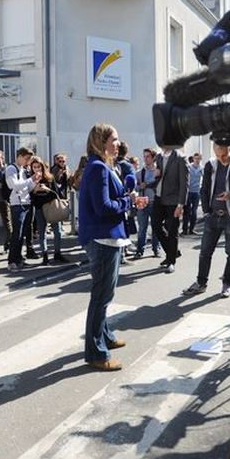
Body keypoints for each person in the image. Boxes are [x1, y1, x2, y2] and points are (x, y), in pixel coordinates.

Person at [78, 123, 139, 372]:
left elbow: (110, 201)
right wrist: (127, 201)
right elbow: (103, 207)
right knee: (101, 297)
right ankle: (95, 352)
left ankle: (105, 336)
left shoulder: (104, 167)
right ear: (101, 142)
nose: (118, 143)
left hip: (107, 237)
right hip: (101, 239)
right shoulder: (97, 168)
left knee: (105, 295)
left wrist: (128, 199)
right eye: (113, 139)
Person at [182, 142, 230, 298]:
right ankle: (201, 283)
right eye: (217, 154)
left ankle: (227, 285)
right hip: (213, 215)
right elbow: (205, 189)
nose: (220, 158)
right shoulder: (211, 164)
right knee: (205, 252)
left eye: (223, 155)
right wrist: (207, 212)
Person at [152, 146, 187, 272]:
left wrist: (181, 204)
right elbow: (160, 176)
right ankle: (172, 251)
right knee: (155, 225)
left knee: (172, 231)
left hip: (173, 200)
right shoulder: (160, 156)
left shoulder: (180, 158)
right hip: (159, 197)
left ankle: (171, 261)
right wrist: (157, 173)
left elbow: (184, 183)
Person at [28, 155, 66, 264]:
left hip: (51, 207)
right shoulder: (30, 180)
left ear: (42, 167)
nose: (37, 169)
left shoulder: (50, 177)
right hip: (39, 209)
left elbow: (56, 194)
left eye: (38, 167)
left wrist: (47, 189)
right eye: (34, 167)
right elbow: (30, 197)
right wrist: (35, 190)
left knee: (57, 231)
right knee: (42, 232)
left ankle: (57, 254)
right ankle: (45, 256)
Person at [4, 146, 35, 270]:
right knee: (17, 234)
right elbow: (13, 186)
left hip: (25, 203)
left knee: (21, 234)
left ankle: (18, 259)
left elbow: (27, 188)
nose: (28, 162)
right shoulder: (11, 169)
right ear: (20, 156)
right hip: (17, 204)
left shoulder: (22, 169)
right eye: (27, 158)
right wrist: (30, 180)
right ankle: (12, 261)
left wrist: (34, 182)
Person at [132, 147, 162, 259]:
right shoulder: (139, 173)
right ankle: (140, 250)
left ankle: (156, 249)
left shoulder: (158, 172)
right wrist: (140, 186)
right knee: (142, 228)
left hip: (155, 202)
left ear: (153, 158)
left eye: (148, 156)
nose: (145, 159)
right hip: (142, 201)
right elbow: (133, 187)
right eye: (144, 156)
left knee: (156, 227)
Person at [182, 152, 203, 236]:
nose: (197, 160)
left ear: (200, 159)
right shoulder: (189, 167)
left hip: (196, 192)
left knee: (194, 212)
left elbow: (205, 178)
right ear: (193, 159)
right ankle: (184, 230)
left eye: (198, 159)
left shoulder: (201, 168)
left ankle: (191, 229)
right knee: (186, 211)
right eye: (196, 159)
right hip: (188, 191)